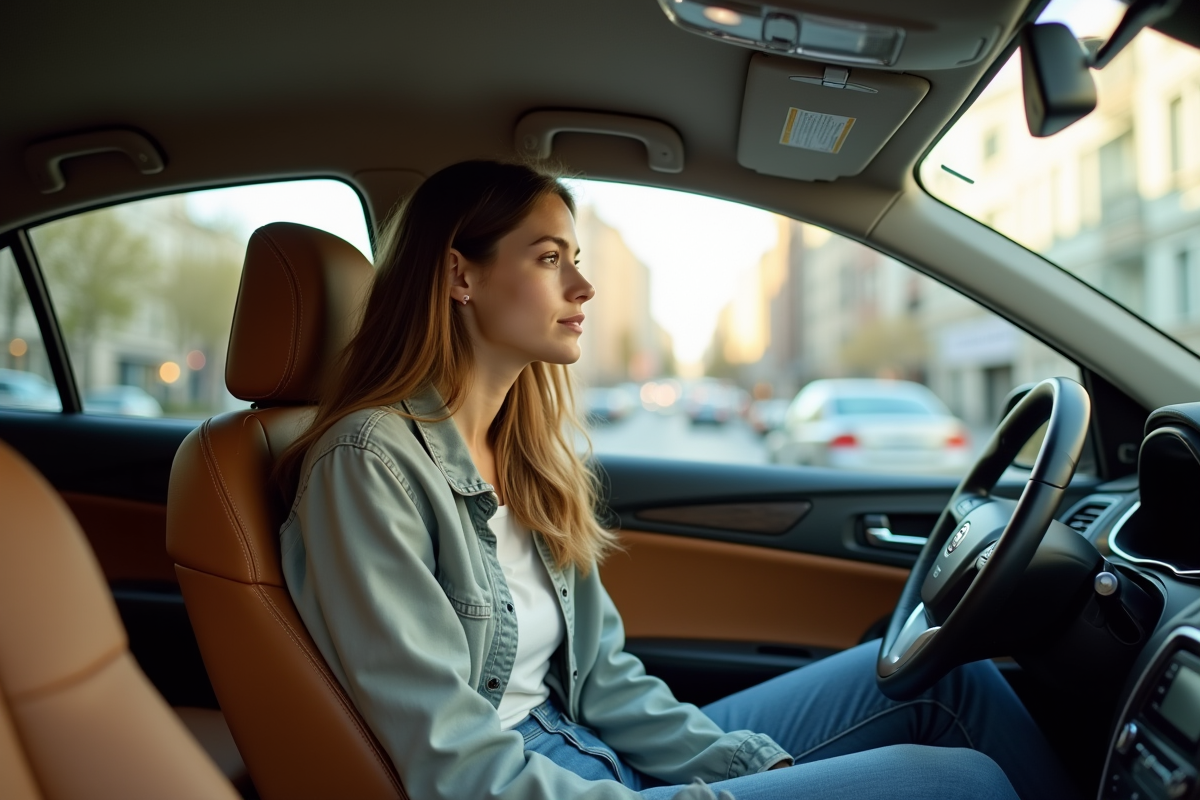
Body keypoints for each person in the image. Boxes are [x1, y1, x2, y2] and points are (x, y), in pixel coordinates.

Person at [276, 160, 1078, 800]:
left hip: (580, 737)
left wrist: (738, 765)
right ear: (461, 276)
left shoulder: (521, 450)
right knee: (959, 784)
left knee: (955, 678)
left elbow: (603, 677)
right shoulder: (368, 465)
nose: (582, 288)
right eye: (549, 258)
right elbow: (453, 761)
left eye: (577, 260)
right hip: (522, 778)